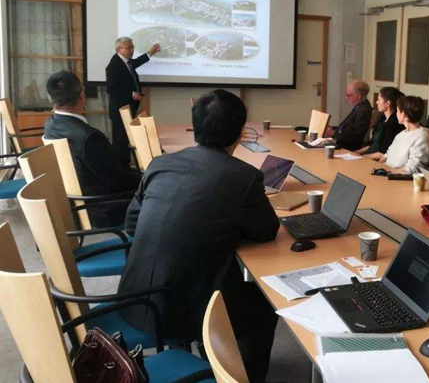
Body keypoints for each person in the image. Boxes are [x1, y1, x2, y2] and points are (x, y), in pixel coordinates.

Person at [118, 90, 280, 382]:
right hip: (182, 308)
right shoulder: (243, 176)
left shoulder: (159, 164)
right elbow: (266, 231)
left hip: (133, 297)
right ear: (240, 132)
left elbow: (131, 224)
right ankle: (241, 375)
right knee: (263, 300)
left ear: (195, 127)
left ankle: (209, 355)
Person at [43, 71, 140, 228]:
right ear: (82, 96)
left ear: (50, 98)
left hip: (75, 204)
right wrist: (146, 177)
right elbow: (120, 182)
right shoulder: (89, 137)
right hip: (102, 209)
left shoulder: (50, 125)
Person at [106, 37, 161, 166]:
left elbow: (136, 62)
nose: (131, 50)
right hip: (120, 110)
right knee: (120, 141)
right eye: (128, 48)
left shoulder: (127, 61)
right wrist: (131, 94)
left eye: (132, 47)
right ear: (119, 49)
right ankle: (120, 168)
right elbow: (111, 88)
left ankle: (125, 167)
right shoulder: (114, 65)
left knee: (125, 139)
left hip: (128, 108)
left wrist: (150, 53)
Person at [378, 96, 429, 174]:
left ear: (404, 114)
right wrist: (377, 167)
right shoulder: (401, 134)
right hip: (386, 172)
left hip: (396, 176)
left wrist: (388, 172)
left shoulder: (422, 137)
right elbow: (387, 155)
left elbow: (413, 168)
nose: (396, 114)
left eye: (398, 111)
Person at [325, 80, 373, 151]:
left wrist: (333, 133)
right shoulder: (360, 106)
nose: (346, 98)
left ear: (358, 96)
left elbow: (356, 136)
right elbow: (348, 128)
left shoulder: (364, 110)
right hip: (342, 142)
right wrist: (333, 129)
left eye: (348, 95)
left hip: (347, 147)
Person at [355, 87, 404, 157]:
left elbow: (384, 153)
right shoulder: (382, 119)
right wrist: (355, 153)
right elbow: (371, 145)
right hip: (368, 156)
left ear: (387, 103)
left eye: (379, 100)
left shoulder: (394, 125)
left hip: (376, 160)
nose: (376, 102)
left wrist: (362, 157)